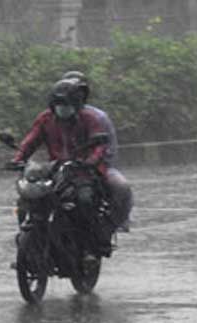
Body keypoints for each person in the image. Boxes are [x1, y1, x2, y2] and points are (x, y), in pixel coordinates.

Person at [12, 78, 111, 261]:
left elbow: (99, 145)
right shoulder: (45, 119)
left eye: (67, 104)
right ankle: (33, 243)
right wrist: (18, 159)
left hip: (82, 171)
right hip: (56, 169)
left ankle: (89, 247)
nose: (63, 108)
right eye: (59, 105)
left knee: (85, 200)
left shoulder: (89, 119)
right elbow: (30, 141)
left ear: (77, 104)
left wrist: (91, 161)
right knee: (26, 200)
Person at [62, 70, 133, 235]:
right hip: (62, 167)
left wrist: (95, 164)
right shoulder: (52, 116)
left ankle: (112, 225)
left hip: (94, 167)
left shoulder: (99, 117)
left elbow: (109, 149)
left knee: (122, 187)